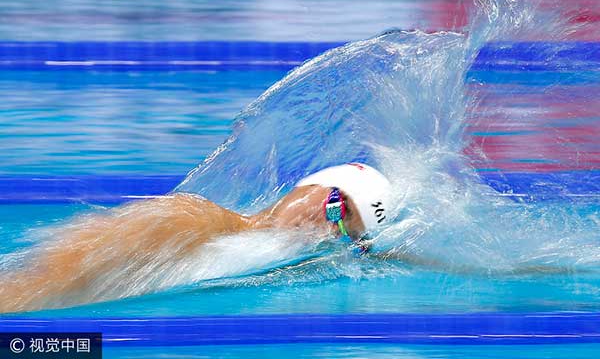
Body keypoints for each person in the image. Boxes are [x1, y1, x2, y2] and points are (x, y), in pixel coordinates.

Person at [0, 163, 392, 313]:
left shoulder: (244, 257)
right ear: (306, 187)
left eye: (342, 229)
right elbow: (42, 280)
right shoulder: (191, 220)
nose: (323, 223)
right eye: (334, 205)